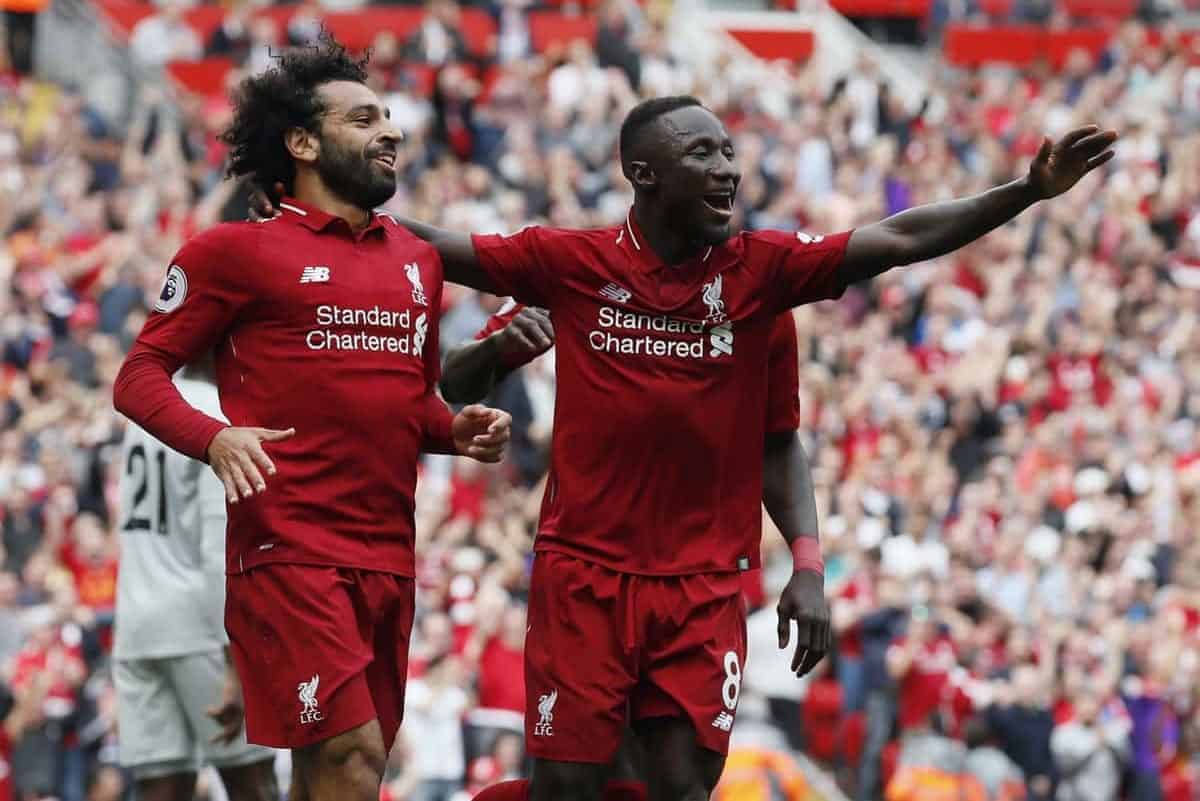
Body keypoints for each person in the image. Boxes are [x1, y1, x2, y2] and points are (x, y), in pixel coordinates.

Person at [259, 93, 1116, 801]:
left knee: (677, 786)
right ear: (645, 174)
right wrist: (308, 205)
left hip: (705, 589)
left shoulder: (764, 279)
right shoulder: (571, 263)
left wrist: (1026, 191)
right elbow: (427, 257)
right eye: (704, 155)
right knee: (566, 789)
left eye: (730, 154)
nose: (728, 170)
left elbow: (890, 251)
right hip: (584, 578)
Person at [112, 36, 512, 801]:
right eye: (363, 119)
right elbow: (138, 376)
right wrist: (215, 436)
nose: (390, 131)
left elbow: (410, 399)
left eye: (388, 117)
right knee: (353, 757)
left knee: (334, 773)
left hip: (389, 554)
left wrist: (450, 430)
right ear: (302, 142)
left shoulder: (417, 261)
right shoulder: (234, 252)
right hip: (288, 550)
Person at [113, 357, 278, 801]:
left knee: (161, 786)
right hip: (198, 629)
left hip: (135, 621)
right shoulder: (215, 416)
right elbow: (216, 551)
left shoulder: (146, 411)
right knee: (253, 783)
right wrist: (235, 659)